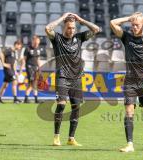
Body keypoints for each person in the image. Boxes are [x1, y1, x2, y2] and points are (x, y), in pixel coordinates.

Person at [110, 12, 143, 152]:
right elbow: (112, 23)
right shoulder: (127, 37)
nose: (134, 27)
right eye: (132, 25)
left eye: (137, 25)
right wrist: (129, 18)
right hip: (130, 81)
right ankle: (130, 144)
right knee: (129, 111)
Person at [45, 12, 100, 146]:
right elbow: (47, 29)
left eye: (73, 28)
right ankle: (56, 137)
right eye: (69, 28)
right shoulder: (57, 38)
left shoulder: (79, 38)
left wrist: (81, 19)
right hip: (62, 77)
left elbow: (96, 29)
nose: (71, 30)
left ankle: (71, 138)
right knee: (62, 105)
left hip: (76, 78)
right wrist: (63, 17)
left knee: (76, 108)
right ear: (64, 27)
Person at [21, 35, 42, 103]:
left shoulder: (38, 49)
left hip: (35, 67)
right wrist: (22, 68)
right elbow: (24, 59)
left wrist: (40, 68)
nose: (37, 44)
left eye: (38, 43)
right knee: (33, 82)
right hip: (29, 67)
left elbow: (38, 59)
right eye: (36, 42)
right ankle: (34, 98)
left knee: (33, 83)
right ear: (33, 41)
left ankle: (27, 98)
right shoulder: (27, 48)